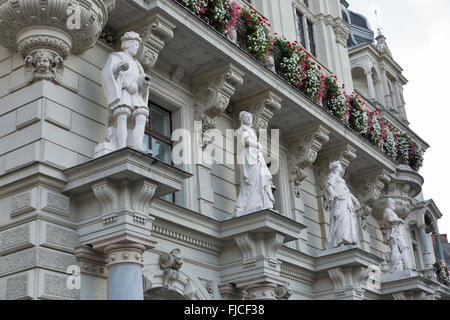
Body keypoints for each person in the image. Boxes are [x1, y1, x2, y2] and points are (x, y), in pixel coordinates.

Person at [102, 31, 151, 152]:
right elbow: (108, 73)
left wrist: (143, 83)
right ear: (127, 44)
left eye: (138, 46)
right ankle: (122, 147)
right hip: (124, 92)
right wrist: (120, 69)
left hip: (135, 93)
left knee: (141, 116)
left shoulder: (137, 64)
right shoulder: (116, 56)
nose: (137, 48)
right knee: (122, 115)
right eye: (135, 45)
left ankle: (137, 146)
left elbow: (141, 82)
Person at [233, 111, 275, 217]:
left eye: (250, 117)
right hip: (248, 158)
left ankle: (258, 203)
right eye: (246, 117)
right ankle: (241, 206)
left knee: (259, 180)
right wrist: (257, 144)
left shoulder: (250, 130)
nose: (248, 118)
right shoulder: (242, 129)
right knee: (249, 183)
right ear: (242, 119)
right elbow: (244, 141)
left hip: (255, 157)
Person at [324, 161, 360, 249]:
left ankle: (346, 239)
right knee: (340, 220)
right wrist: (332, 194)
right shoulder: (332, 176)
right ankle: (339, 241)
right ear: (336, 167)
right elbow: (329, 186)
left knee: (346, 220)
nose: (341, 168)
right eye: (340, 166)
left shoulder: (341, 180)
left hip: (345, 201)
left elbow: (347, 191)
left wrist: (354, 199)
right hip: (338, 201)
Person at [383, 198, 410, 272]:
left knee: (401, 248)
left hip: (396, 233)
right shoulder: (387, 210)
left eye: (394, 203)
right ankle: (403, 265)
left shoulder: (391, 211)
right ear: (387, 204)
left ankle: (401, 265)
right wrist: (398, 220)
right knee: (402, 248)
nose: (393, 205)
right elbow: (390, 219)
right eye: (392, 203)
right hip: (394, 234)